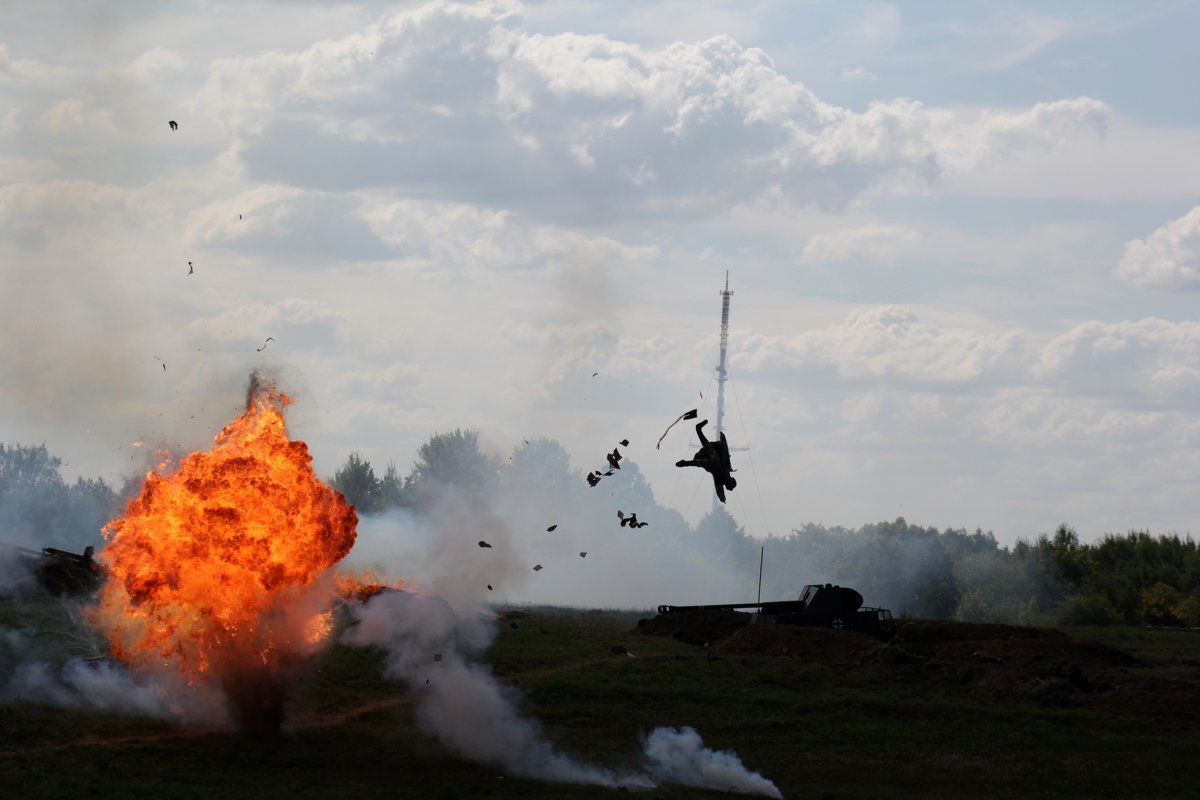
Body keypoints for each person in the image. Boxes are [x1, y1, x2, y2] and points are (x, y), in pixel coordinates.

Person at [675, 419, 736, 502]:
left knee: (702, 460)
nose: (728, 480)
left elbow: (719, 489)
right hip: (712, 458)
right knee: (705, 458)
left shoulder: (723, 477)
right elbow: (726, 452)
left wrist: (722, 497)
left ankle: (685, 463)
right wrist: (723, 438)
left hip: (711, 460)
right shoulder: (726, 471)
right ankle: (698, 430)